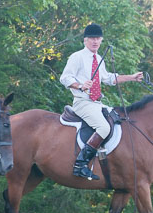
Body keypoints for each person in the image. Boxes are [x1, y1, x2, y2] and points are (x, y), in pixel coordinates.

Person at [60, 23, 143, 180]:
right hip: (82, 102)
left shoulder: (98, 59)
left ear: (101, 40)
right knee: (104, 127)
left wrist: (132, 77)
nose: (95, 41)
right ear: (85, 40)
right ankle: (80, 165)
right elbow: (64, 78)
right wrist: (80, 85)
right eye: (91, 38)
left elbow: (109, 78)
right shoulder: (77, 57)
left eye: (98, 38)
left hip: (97, 103)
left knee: (117, 120)